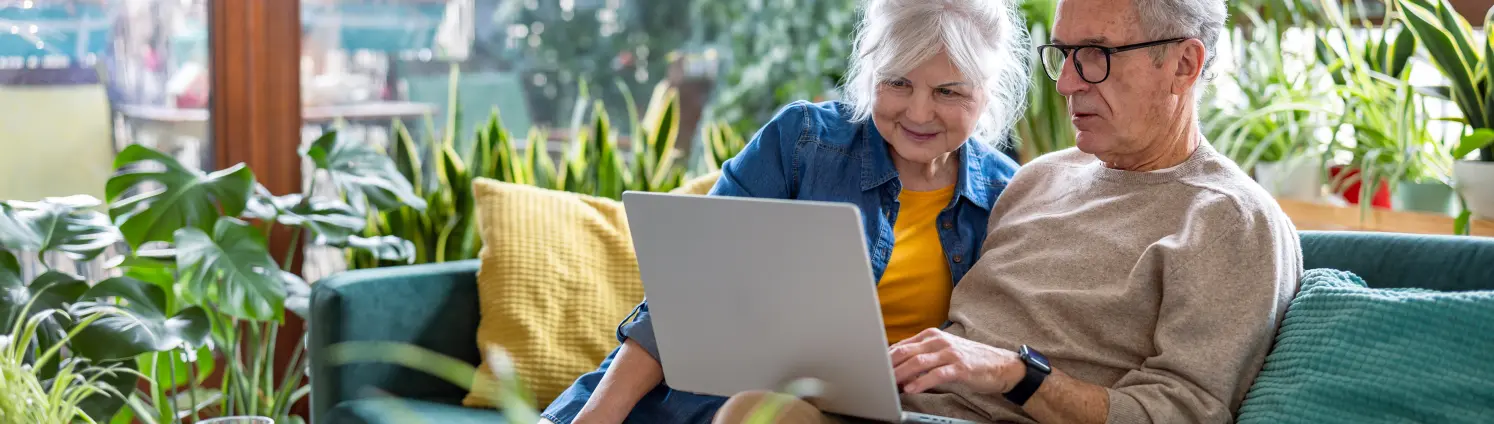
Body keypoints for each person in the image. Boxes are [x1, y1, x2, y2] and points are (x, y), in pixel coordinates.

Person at [712, 0, 1304, 423]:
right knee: (753, 408)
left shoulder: (1230, 220)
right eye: (1063, 55)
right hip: (899, 409)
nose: (1068, 84)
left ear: (1185, 64)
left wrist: (1018, 374)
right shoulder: (1038, 178)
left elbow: (1184, 413)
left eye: (1094, 56)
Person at [538, 0, 1032, 423]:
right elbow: (684, 294)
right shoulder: (802, 141)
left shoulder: (1010, 194)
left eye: (948, 91)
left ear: (987, 92)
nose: (919, 113)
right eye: (898, 83)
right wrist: (595, 417)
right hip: (723, 403)